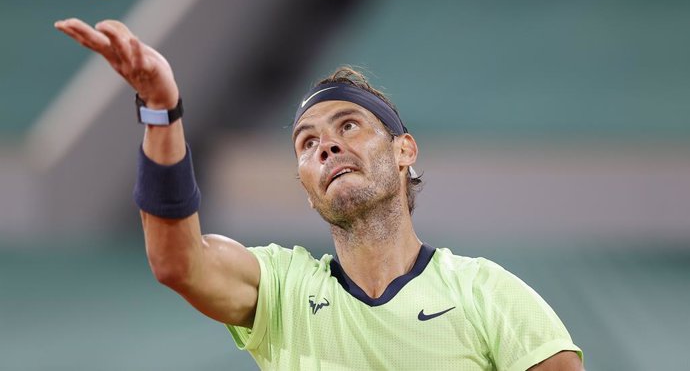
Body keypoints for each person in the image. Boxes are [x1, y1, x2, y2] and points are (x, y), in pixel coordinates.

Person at [55, 18, 584, 371]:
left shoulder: (488, 293)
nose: (326, 146)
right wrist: (160, 110)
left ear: (405, 151)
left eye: (349, 125)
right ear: (306, 188)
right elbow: (177, 262)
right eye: (306, 143)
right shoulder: (282, 291)